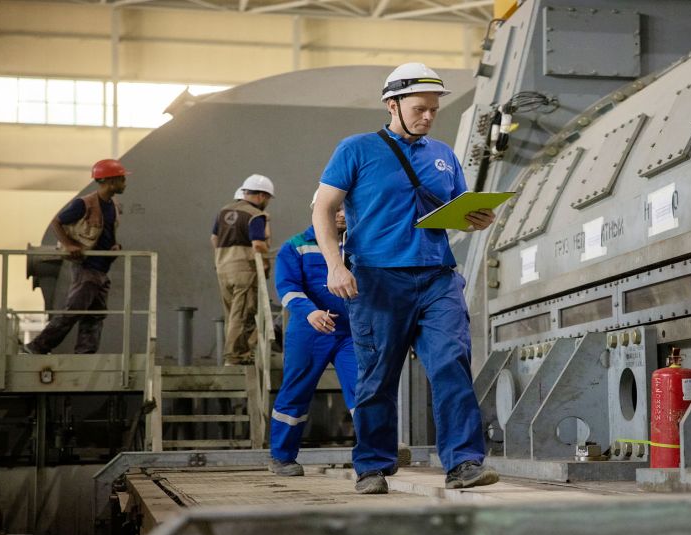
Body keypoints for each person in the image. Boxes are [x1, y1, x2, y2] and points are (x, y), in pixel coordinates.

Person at [312, 62, 499, 494]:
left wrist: (477, 219)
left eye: (434, 109)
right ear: (391, 104)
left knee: (451, 364)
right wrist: (334, 265)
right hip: (377, 279)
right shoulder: (356, 149)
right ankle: (373, 467)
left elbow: (457, 212)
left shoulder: (444, 155)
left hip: (437, 277)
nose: (429, 116)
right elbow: (322, 208)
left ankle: (464, 463)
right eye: (420, 108)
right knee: (377, 375)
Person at [268, 194, 356, 476]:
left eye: (346, 208)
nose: (342, 213)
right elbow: (287, 286)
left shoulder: (360, 246)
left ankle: (373, 457)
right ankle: (282, 457)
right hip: (309, 330)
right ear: (319, 210)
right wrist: (309, 312)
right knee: (296, 392)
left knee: (364, 392)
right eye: (336, 208)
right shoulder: (295, 246)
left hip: (351, 332)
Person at [23, 159, 128, 355]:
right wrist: (69, 244)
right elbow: (57, 222)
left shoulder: (112, 204)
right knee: (72, 311)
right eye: (122, 179)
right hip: (87, 267)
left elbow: (106, 232)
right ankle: (37, 346)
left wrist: (115, 246)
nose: (125, 183)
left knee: (95, 316)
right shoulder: (84, 204)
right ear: (110, 181)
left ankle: (85, 354)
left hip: (102, 269)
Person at [211, 174, 274, 366]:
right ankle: (235, 356)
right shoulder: (255, 215)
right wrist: (265, 263)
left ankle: (236, 353)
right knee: (244, 313)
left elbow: (214, 239)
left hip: (223, 268)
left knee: (232, 313)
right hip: (244, 269)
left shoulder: (224, 211)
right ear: (262, 196)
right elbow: (258, 244)